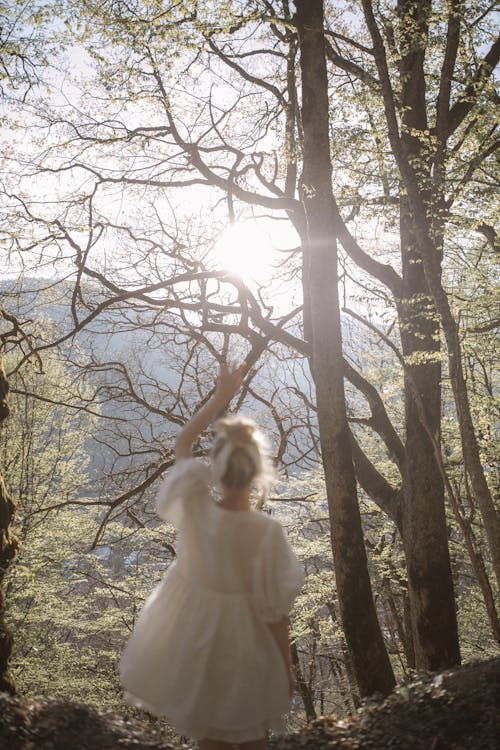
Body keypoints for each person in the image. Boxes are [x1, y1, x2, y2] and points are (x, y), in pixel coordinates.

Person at [119, 362, 304, 750]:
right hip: (246, 644)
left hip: (196, 641)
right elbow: (275, 612)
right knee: (252, 736)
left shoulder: (196, 506)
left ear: (217, 469)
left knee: (209, 738)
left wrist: (221, 397)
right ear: (257, 472)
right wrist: (285, 671)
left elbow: (183, 444)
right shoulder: (267, 532)